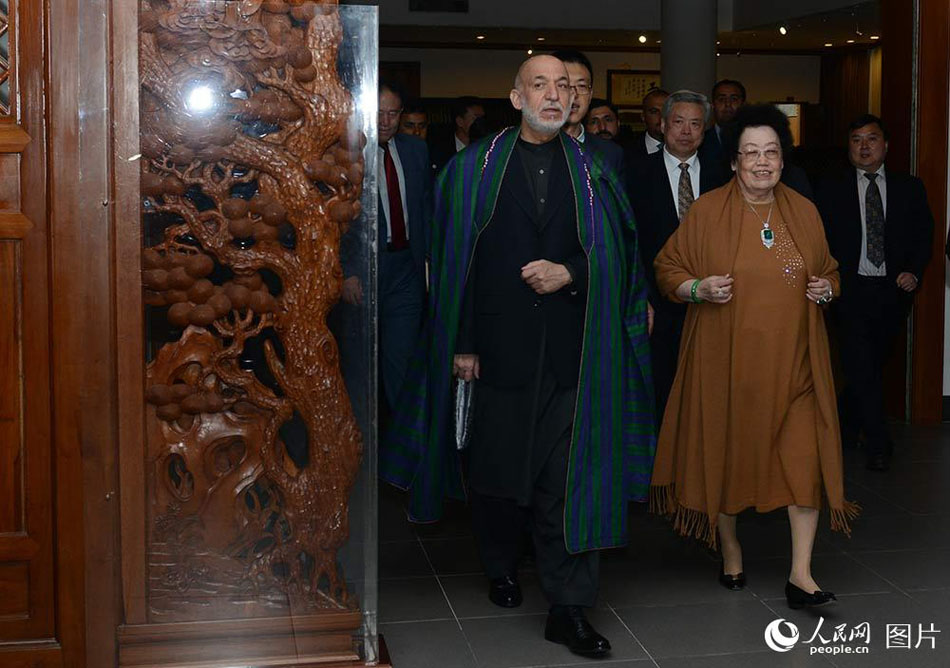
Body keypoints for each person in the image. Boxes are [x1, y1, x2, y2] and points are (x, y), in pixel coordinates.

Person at [380, 55, 655, 658]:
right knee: (499, 477)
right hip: (496, 351)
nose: (555, 96)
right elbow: (456, 268)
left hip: (574, 352)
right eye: (541, 85)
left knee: (567, 480)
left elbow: (621, 256)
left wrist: (572, 273)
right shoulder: (470, 169)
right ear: (515, 96)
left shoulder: (598, 170)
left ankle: (568, 607)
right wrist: (463, 345)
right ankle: (500, 565)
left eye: (564, 86)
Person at [650, 104, 858, 610]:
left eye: (771, 153)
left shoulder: (803, 210)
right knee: (730, 457)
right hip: (729, 367)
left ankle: (801, 575)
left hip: (796, 366)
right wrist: (697, 288)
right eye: (751, 154)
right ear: (733, 161)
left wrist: (825, 289)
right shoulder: (708, 211)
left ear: (783, 160)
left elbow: (830, 271)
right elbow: (667, 267)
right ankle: (731, 549)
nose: (762, 163)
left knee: (804, 460)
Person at [817, 114, 934, 472]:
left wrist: (913, 272)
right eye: (856, 140)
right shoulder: (829, 187)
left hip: (892, 291)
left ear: (886, 145)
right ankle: (879, 443)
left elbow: (923, 234)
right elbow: (817, 239)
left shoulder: (909, 187)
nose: (864, 146)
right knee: (860, 363)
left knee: (870, 365)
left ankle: (847, 425)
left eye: (872, 139)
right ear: (848, 146)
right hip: (849, 291)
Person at [628, 90, 724, 420]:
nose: (686, 131)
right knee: (660, 391)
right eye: (679, 122)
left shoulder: (724, 174)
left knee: (708, 390)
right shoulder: (634, 173)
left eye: (695, 124)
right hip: (656, 303)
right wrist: (639, 296)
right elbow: (630, 242)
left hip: (713, 300)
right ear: (663, 124)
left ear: (706, 128)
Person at [342, 81, 430, 414]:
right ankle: (357, 436)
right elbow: (334, 219)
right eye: (379, 113)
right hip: (366, 268)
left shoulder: (415, 150)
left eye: (393, 113)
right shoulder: (348, 150)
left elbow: (425, 208)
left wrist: (429, 262)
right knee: (360, 360)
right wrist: (347, 270)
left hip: (406, 268)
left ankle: (401, 444)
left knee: (403, 360)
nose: (386, 121)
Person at [551, 50, 626, 181]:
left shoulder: (611, 154)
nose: (574, 94)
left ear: (590, 95)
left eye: (581, 86)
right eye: (564, 85)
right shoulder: (522, 148)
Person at [428, 95, 485, 173]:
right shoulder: (438, 151)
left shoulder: (488, 147)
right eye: (476, 118)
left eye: (482, 118)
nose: (480, 123)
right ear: (460, 121)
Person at [625, 88, 669, 168]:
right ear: (643, 117)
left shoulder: (687, 148)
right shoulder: (626, 152)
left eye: (666, 111)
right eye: (654, 112)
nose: (661, 117)